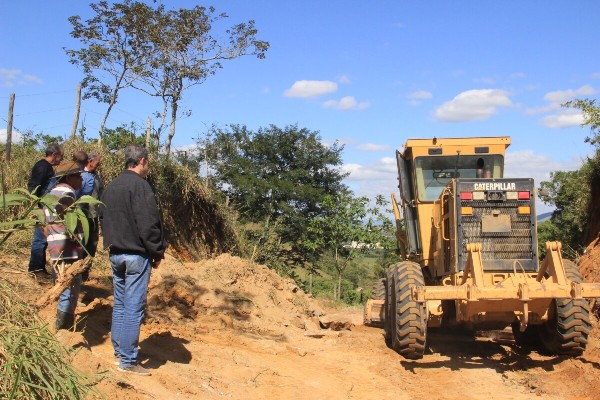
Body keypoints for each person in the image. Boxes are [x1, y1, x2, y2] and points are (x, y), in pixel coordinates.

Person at [100, 144, 166, 376]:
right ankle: (128, 360)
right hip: (137, 255)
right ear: (142, 161)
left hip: (116, 253)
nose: (148, 167)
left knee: (120, 303)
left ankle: (120, 351)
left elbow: (102, 217)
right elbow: (149, 223)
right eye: (148, 163)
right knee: (133, 307)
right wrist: (157, 252)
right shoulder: (141, 186)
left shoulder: (112, 186)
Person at [43, 160, 85, 330]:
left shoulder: (50, 194)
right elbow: (72, 223)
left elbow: (43, 223)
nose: (81, 180)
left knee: (60, 284)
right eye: (78, 176)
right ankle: (64, 328)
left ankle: (62, 325)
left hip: (54, 246)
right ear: (69, 177)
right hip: (68, 248)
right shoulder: (68, 194)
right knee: (69, 287)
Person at [27, 143, 63, 276]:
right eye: (61, 156)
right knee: (40, 238)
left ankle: (40, 268)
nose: (61, 159)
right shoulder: (42, 167)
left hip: (47, 207)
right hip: (43, 208)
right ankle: (35, 269)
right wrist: (39, 205)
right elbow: (33, 187)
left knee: (43, 238)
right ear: (55, 155)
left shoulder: (47, 167)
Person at [77, 153, 104, 281]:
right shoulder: (80, 175)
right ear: (90, 161)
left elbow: (101, 193)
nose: (98, 165)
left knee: (92, 244)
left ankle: (85, 272)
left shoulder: (96, 177)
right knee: (81, 243)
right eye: (97, 163)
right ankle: (77, 272)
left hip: (93, 215)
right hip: (82, 216)